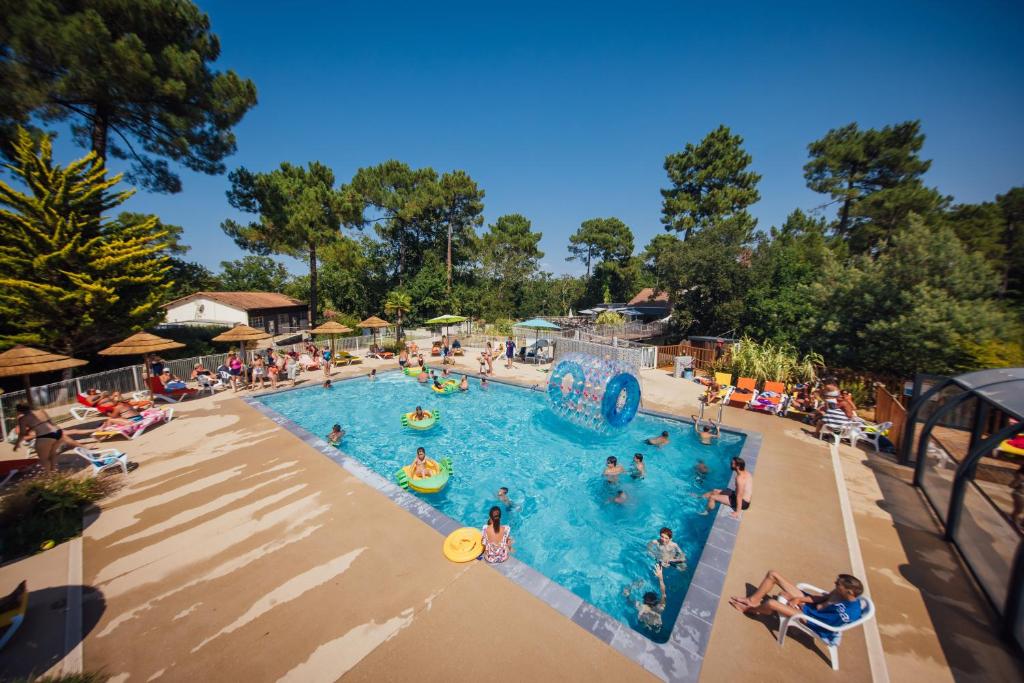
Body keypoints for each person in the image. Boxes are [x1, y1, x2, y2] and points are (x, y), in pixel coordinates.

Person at [729, 571, 865, 644]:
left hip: (813, 619)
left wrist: (800, 609)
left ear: (849, 592)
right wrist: (799, 599)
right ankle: (752, 601)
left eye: (838, 584)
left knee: (771, 603)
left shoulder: (846, 613)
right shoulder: (841, 592)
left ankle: (749, 610)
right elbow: (820, 600)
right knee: (773, 574)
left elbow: (822, 624)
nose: (835, 584)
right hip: (811, 609)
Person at [13, 403, 83, 474]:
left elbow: (22, 434)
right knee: (53, 454)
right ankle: (54, 470)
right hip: (56, 433)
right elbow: (51, 423)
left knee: (44, 459)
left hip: (44, 436)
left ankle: (50, 475)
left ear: (19, 411)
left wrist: (17, 444)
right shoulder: (40, 411)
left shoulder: (22, 419)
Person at [635, 565, 667, 631]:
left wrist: (627, 595)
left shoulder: (641, 607)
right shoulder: (660, 608)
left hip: (653, 625)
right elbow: (663, 594)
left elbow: (663, 594)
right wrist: (660, 578)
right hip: (652, 625)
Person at [1011, 465, 1024, 531]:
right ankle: (1014, 523)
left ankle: (1020, 524)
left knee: (1018, 510)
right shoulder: (1020, 476)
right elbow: (1011, 485)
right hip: (1018, 494)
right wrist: (1018, 483)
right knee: (1019, 510)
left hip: (1021, 494)